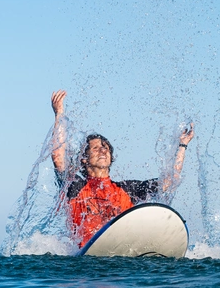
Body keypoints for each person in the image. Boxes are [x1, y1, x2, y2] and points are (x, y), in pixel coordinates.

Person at [50, 90, 195, 247]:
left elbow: (170, 180)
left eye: (106, 148)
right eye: (96, 148)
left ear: (112, 157)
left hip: (122, 257)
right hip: (86, 257)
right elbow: (58, 156)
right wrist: (59, 114)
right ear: (84, 159)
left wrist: (182, 145)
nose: (103, 150)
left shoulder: (127, 189)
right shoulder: (75, 186)